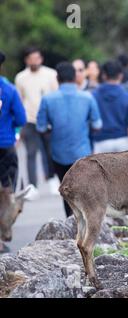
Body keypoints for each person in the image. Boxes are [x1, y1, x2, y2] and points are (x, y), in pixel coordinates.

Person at [36, 62, 102, 217]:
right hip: (82, 153)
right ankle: (86, 223)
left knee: (66, 191)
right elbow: (98, 124)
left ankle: (70, 221)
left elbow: (40, 128)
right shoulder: (87, 97)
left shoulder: (47, 99)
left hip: (59, 154)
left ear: (57, 78)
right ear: (75, 77)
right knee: (84, 190)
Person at [15, 47, 59, 194]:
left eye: (37, 58)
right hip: (29, 119)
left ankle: (53, 179)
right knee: (30, 153)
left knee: (50, 152)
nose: (34, 61)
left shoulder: (51, 74)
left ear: (41, 59)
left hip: (48, 120)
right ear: (26, 60)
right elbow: (19, 100)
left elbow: (56, 96)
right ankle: (33, 186)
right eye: (31, 59)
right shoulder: (21, 77)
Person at [0, 51, 27, 253]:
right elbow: (21, 119)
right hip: (5, 146)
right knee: (7, 193)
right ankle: (3, 236)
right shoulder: (8, 89)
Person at [92, 60, 128, 153]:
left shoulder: (94, 95)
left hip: (101, 142)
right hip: (123, 142)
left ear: (104, 75)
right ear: (120, 75)